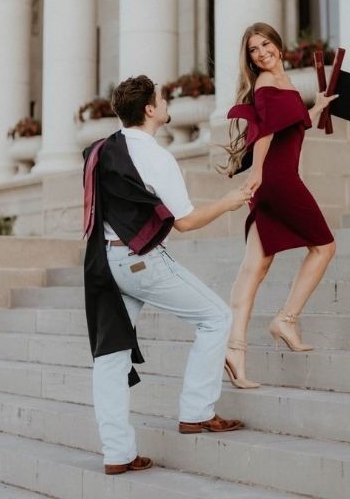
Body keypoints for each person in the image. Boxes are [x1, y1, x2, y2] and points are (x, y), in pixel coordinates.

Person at [83, 75, 252, 475]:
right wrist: (230, 202)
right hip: (140, 260)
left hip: (105, 262)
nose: (166, 101)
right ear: (150, 110)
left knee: (110, 357)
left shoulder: (102, 149)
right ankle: (197, 411)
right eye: (162, 97)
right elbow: (186, 222)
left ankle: (117, 454)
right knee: (216, 317)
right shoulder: (157, 157)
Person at [220, 22, 337, 388]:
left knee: (254, 267)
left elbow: (290, 129)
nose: (260, 52)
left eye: (265, 44)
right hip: (278, 179)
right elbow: (267, 130)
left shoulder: (282, 84)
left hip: (272, 180)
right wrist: (256, 173)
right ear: (250, 59)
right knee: (324, 247)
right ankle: (286, 318)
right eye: (253, 49)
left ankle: (234, 351)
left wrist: (314, 109)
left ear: (278, 46)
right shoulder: (268, 84)